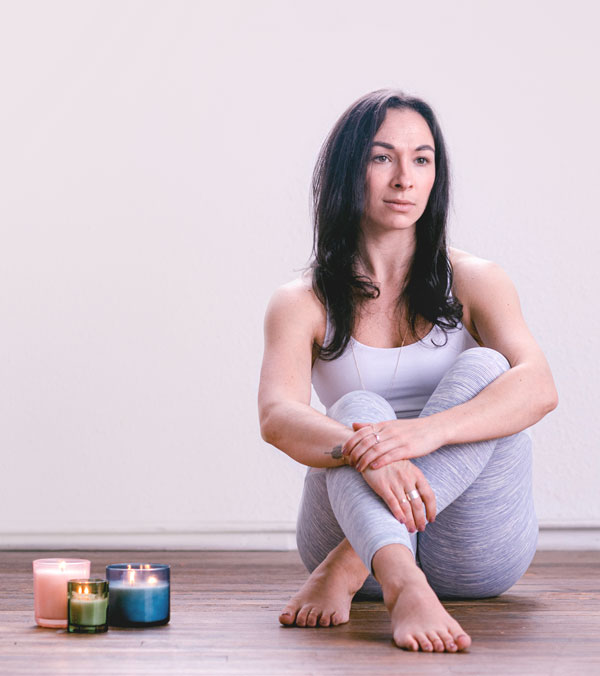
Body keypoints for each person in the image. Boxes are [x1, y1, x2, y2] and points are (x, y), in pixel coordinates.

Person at [257, 89, 558, 653]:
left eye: (421, 159)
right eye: (382, 157)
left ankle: (346, 565)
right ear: (349, 171)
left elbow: (539, 386)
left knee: (488, 366)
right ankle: (401, 582)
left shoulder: (476, 279)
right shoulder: (301, 301)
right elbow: (277, 416)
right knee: (358, 413)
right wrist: (367, 450)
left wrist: (422, 434)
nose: (404, 179)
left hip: (473, 545)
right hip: (358, 529)